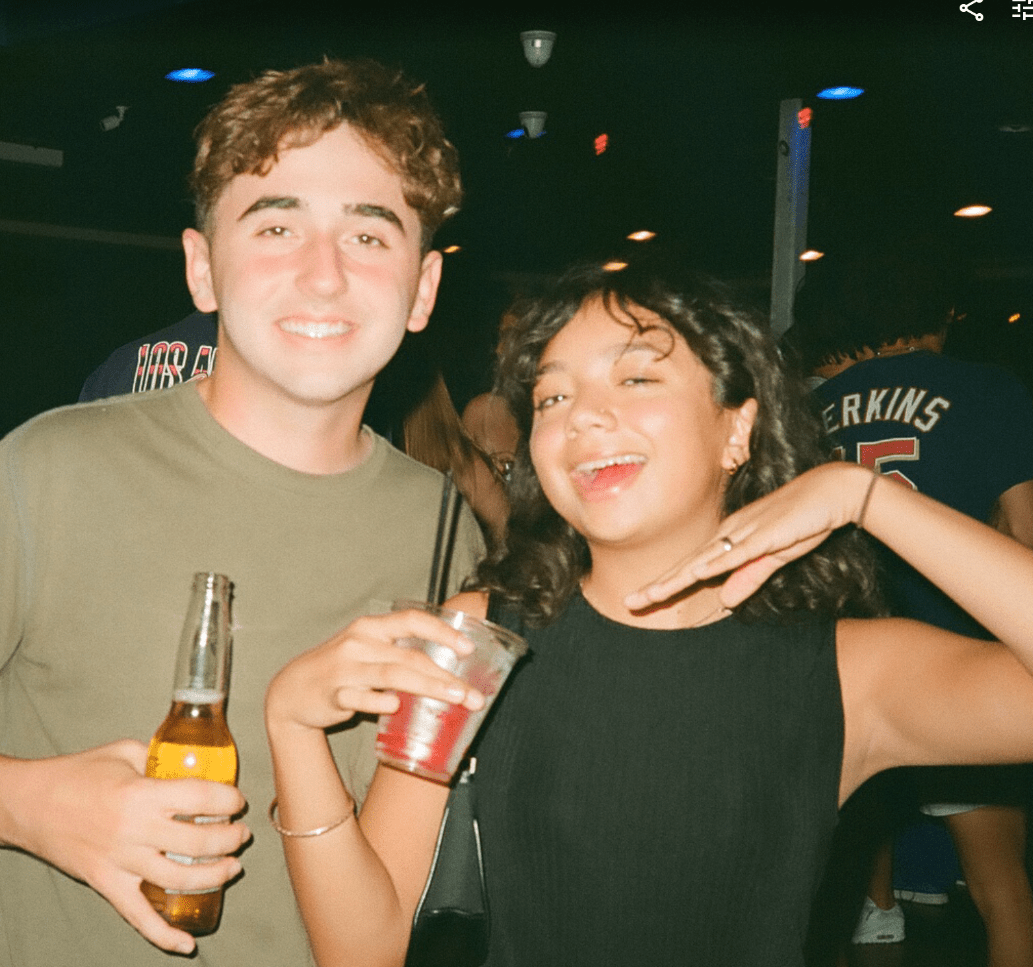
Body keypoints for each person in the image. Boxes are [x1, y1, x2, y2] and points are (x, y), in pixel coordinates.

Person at [263, 258, 1033, 967]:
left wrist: (863, 497)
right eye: (552, 396)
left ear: (736, 428)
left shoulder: (844, 670)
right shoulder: (478, 639)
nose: (582, 417)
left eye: (634, 378)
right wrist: (293, 730)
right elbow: (361, 948)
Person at [0, 58, 485, 966]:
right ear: (202, 269)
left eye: (368, 234)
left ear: (422, 289)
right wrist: (29, 805)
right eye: (276, 225)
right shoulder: (48, 471)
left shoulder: (447, 535)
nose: (323, 275)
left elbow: (382, 922)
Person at [791, 253, 1033, 963]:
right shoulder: (986, 388)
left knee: (845, 909)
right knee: (1001, 894)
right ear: (936, 309)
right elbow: (1024, 530)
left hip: (849, 673)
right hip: (964, 671)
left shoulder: (810, 408)